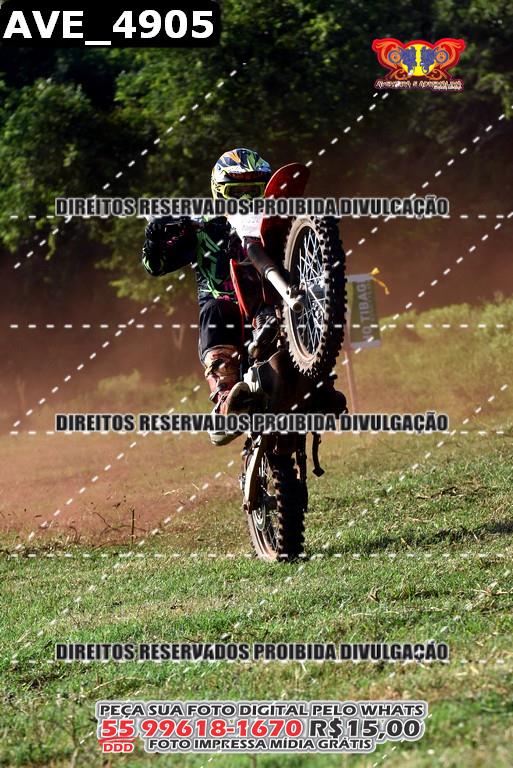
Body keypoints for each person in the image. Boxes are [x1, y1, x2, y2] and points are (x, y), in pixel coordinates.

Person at [142, 147, 346, 444]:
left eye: (254, 191)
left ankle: (318, 378)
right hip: (226, 309)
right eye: (238, 192)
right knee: (216, 309)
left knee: (298, 303)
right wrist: (156, 238)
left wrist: (321, 228)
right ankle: (226, 396)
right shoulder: (201, 227)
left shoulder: (273, 221)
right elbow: (155, 266)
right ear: (220, 193)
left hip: (273, 303)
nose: (247, 199)